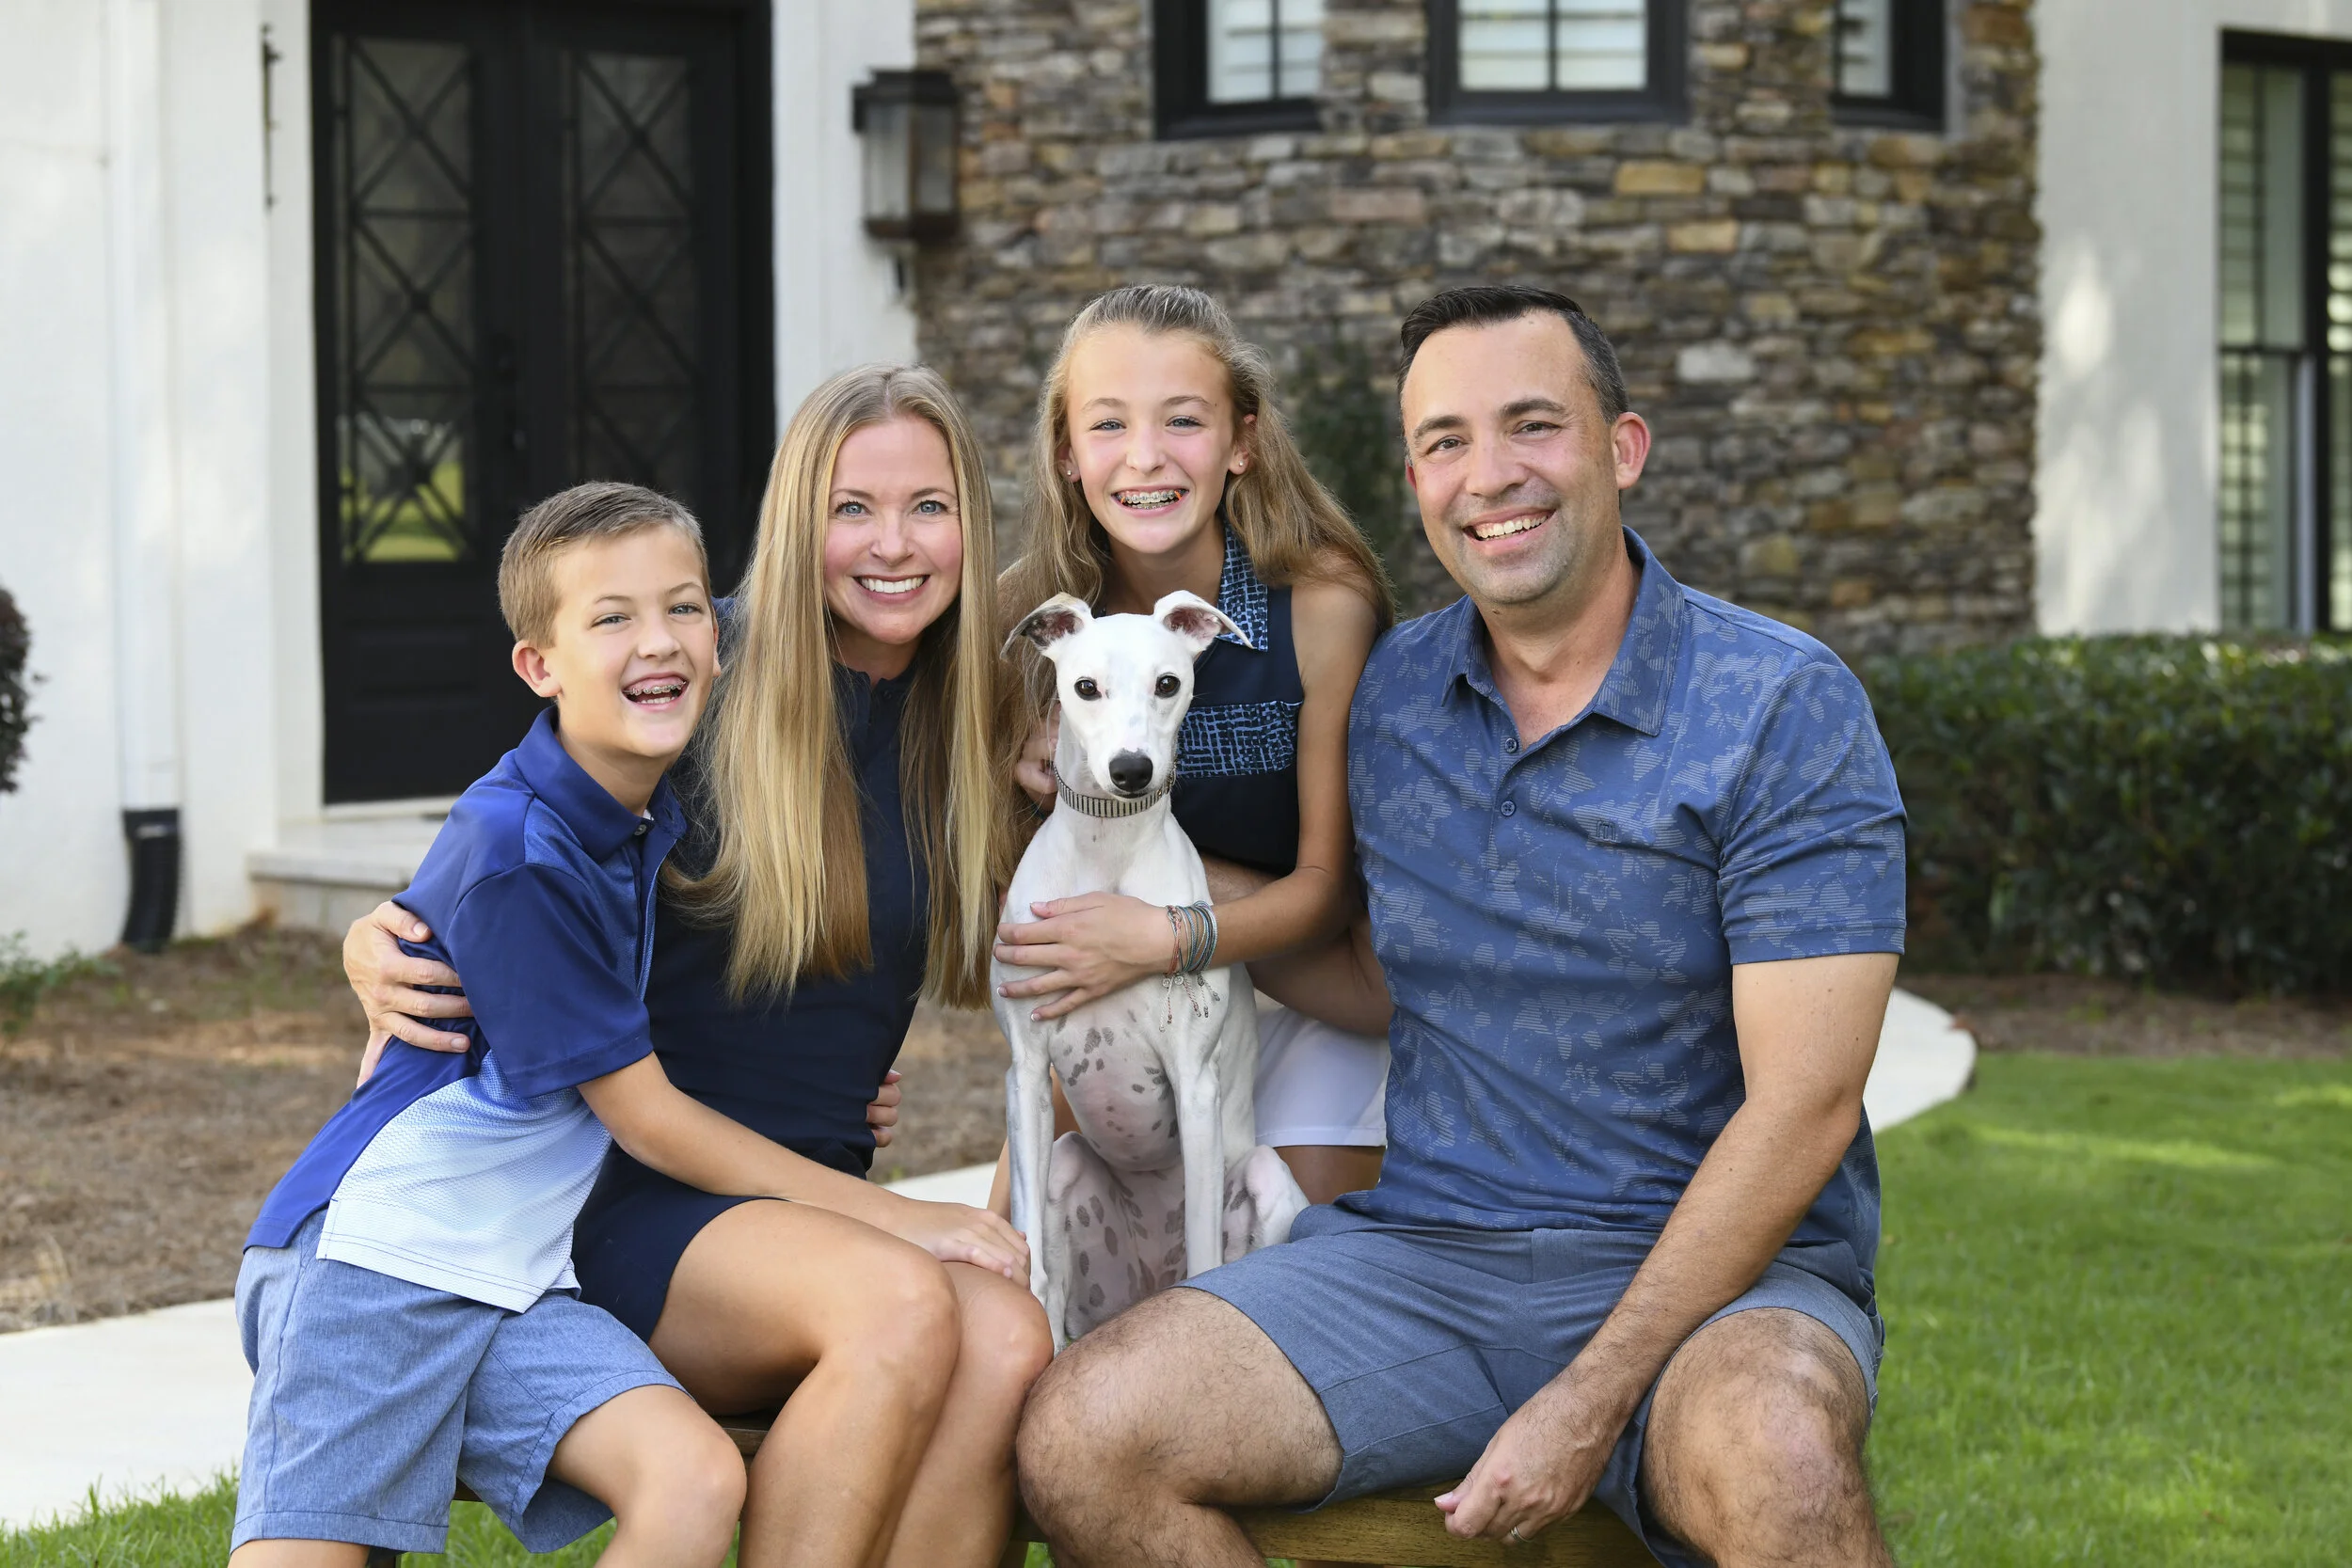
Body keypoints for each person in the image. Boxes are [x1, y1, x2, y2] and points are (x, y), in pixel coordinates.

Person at [1015, 284, 1910, 1568]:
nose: (1489, 475)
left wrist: (1589, 1394)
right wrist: (1108, 844)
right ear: (1415, 478)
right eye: (1445, 440)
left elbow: (1805, 1106)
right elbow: (1370, 970)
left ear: (1622, 448)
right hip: (1430, 1258)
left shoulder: (1778, 705)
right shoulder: (1398, 695)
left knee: (1776, 1447)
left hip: (1721, 1277)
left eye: (1532, 425)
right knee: (1084, 1430)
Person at [342, 366, 1054, 1568]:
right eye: (850, 508)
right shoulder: (698, 664)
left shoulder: (979, 713)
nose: (892, 544)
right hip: (632, 1190)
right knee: (898, 1301)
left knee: (1006, 1337)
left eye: (928, 507)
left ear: (970, 527)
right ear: (796, 522)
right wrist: (380, 936)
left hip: (811, 1191)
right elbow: (516, 832)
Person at [233, 483, 747, 1565]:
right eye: (611, 617)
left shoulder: (626, 805)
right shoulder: (522, 844)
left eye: (684, 607)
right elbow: (645, 1116)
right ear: (538, 664)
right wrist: (899, 1221)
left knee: (691, 1475)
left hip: (511, 1271)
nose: (659, 639)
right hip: (376, 1259)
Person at [992, 283, 1398, 1208]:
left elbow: (1331, 886)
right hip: (1117, 989)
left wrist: (1165, 931)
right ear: (1065, 452)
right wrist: (1024, 763)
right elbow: (1007, 883)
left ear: (1241, 441)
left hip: (1313, 987)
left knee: (1266, 1268)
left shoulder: (1322, 606)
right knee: (1024, 1257)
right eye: (1107, 424)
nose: (1145, 456)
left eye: (1182, 419)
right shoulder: (1034, 621)